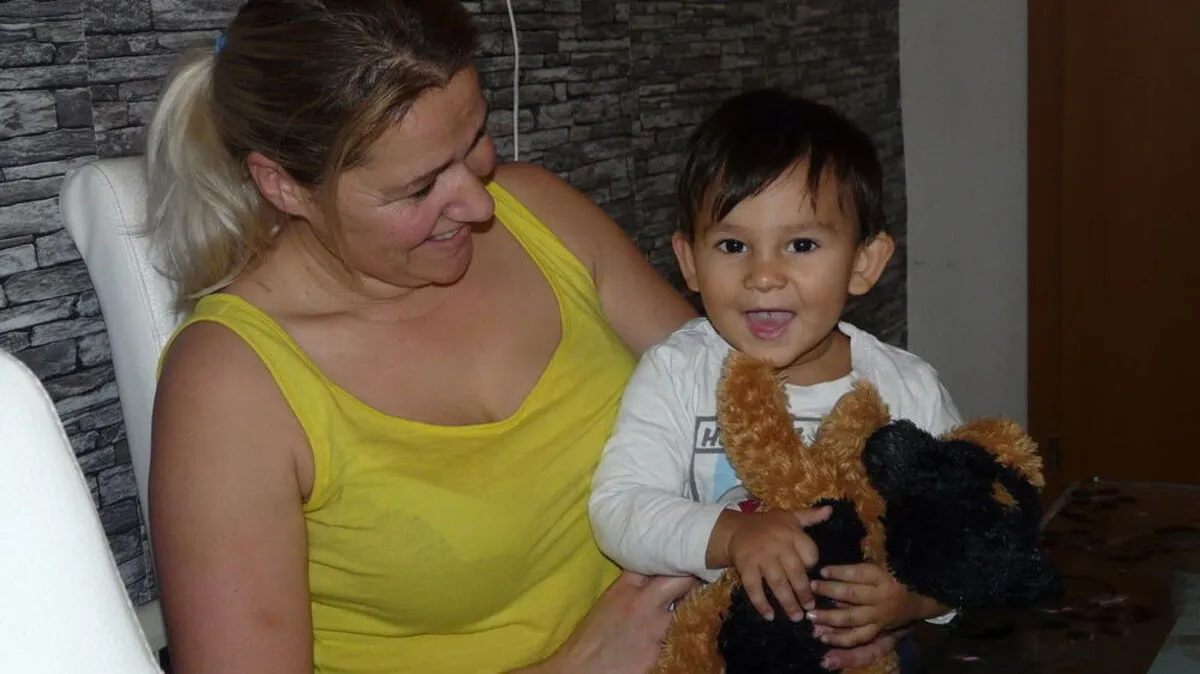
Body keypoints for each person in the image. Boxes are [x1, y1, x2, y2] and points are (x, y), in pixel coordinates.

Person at [142, 1, 705, 672]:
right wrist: (579, 664)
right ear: (284, 184)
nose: (480, 202)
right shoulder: (230, 386)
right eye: (419, 188)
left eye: (475, 138)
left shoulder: (542, 211)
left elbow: (737, 395)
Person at [588, 89, 962, 668]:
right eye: (733, 245)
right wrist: (733, 535)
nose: (763, 276)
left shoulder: (906, 388)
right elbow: (620, 509)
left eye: (802, 244)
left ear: (863, 263)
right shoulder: (678, 371)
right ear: (689, 262)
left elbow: (967, 534)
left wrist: (913, 600)